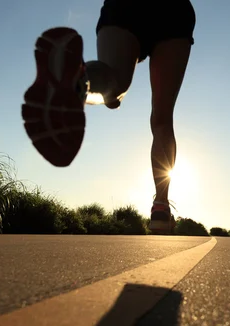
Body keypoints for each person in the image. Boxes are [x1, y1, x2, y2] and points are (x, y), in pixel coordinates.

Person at [21, 0, 196, 233]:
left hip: (124, 8)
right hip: (172, 11)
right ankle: (161, 207)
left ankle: (79, 80)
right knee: (162, 119)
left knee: (114, 83)